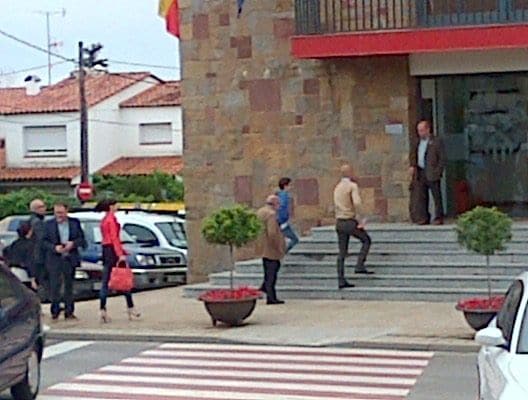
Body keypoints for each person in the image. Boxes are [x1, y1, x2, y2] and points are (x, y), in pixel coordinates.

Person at [95, 199, 140, 323]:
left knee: (106, 279)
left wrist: (122, 251)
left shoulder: (104, 220)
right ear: (111, 206)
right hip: (112, 250)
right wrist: (120, 254)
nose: (118, 206)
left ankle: (103, 309)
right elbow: (115, 238)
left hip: (106, 249)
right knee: (122, 279)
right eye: (116, 204)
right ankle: (130, 307)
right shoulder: (111, 219)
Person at [43, 203, 86, 321]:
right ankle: (55, 311)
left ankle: (69, 311)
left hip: (69, 257)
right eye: (57, 213)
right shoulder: (48, 225)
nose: (59, 216)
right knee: (55, 286)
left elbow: (82, 239)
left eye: (61, 213)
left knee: (69, 286)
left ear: (66, 212)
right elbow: (43, 242)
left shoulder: (74, 223)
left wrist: (73, 244)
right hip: (54, 259)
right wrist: (54, 248)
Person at [334, 164, 372, 289]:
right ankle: (360, 265)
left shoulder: (337, 187)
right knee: (366, 240)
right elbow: (357, 202)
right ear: (350, 172)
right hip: (349, 220)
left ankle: (341, 278)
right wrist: (361, 218)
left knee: (342, 252)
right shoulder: (352, 186)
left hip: (339, 221)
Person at [409, 120, 446, 225]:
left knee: (436, 196)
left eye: (422, 130)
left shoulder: (436, 141)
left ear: (427, 130)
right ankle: (424, 217)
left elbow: (442, 158)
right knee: (422, 196)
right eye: (418, 131)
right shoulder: (417, 142)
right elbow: (413, 154)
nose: (420, 133)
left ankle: (439, 217)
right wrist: (412, 165)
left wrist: (438, 171)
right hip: (420, 171)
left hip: (432, 171)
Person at [256, 195, 286, 305]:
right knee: (272, 272)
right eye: (278, 203)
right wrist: (279, 247)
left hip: (262, 246)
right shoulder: (271, 215)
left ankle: (265, 288)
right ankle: (271, 296)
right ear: (274, 203)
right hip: (270, 248)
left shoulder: (260, 212)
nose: (279, 206)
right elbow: (272, 233)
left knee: (268, 271)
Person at [3, 222, 36, 290]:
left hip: (13, 272)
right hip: (24, 274)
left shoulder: (14, 244)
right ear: (29, 232)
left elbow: (5, 251)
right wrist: (33, 278)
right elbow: (29, 262)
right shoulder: (30, 245)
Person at [29, 199, 48, 295]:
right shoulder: (38, 222)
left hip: (33, 256)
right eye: (41, 207)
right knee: (41, 281)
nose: (45, 208)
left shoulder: (31, 220)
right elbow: (42, 239)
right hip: (39, 257)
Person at [276, 177, 299, 253]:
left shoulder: (280, 195)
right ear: (285, 186)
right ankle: (282, 252)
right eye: (290, 185)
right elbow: (282, 208)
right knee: (294, 239)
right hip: (283, 222)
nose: (291, 187)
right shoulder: (284, 195)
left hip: (282, 221)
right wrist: (282, 220)